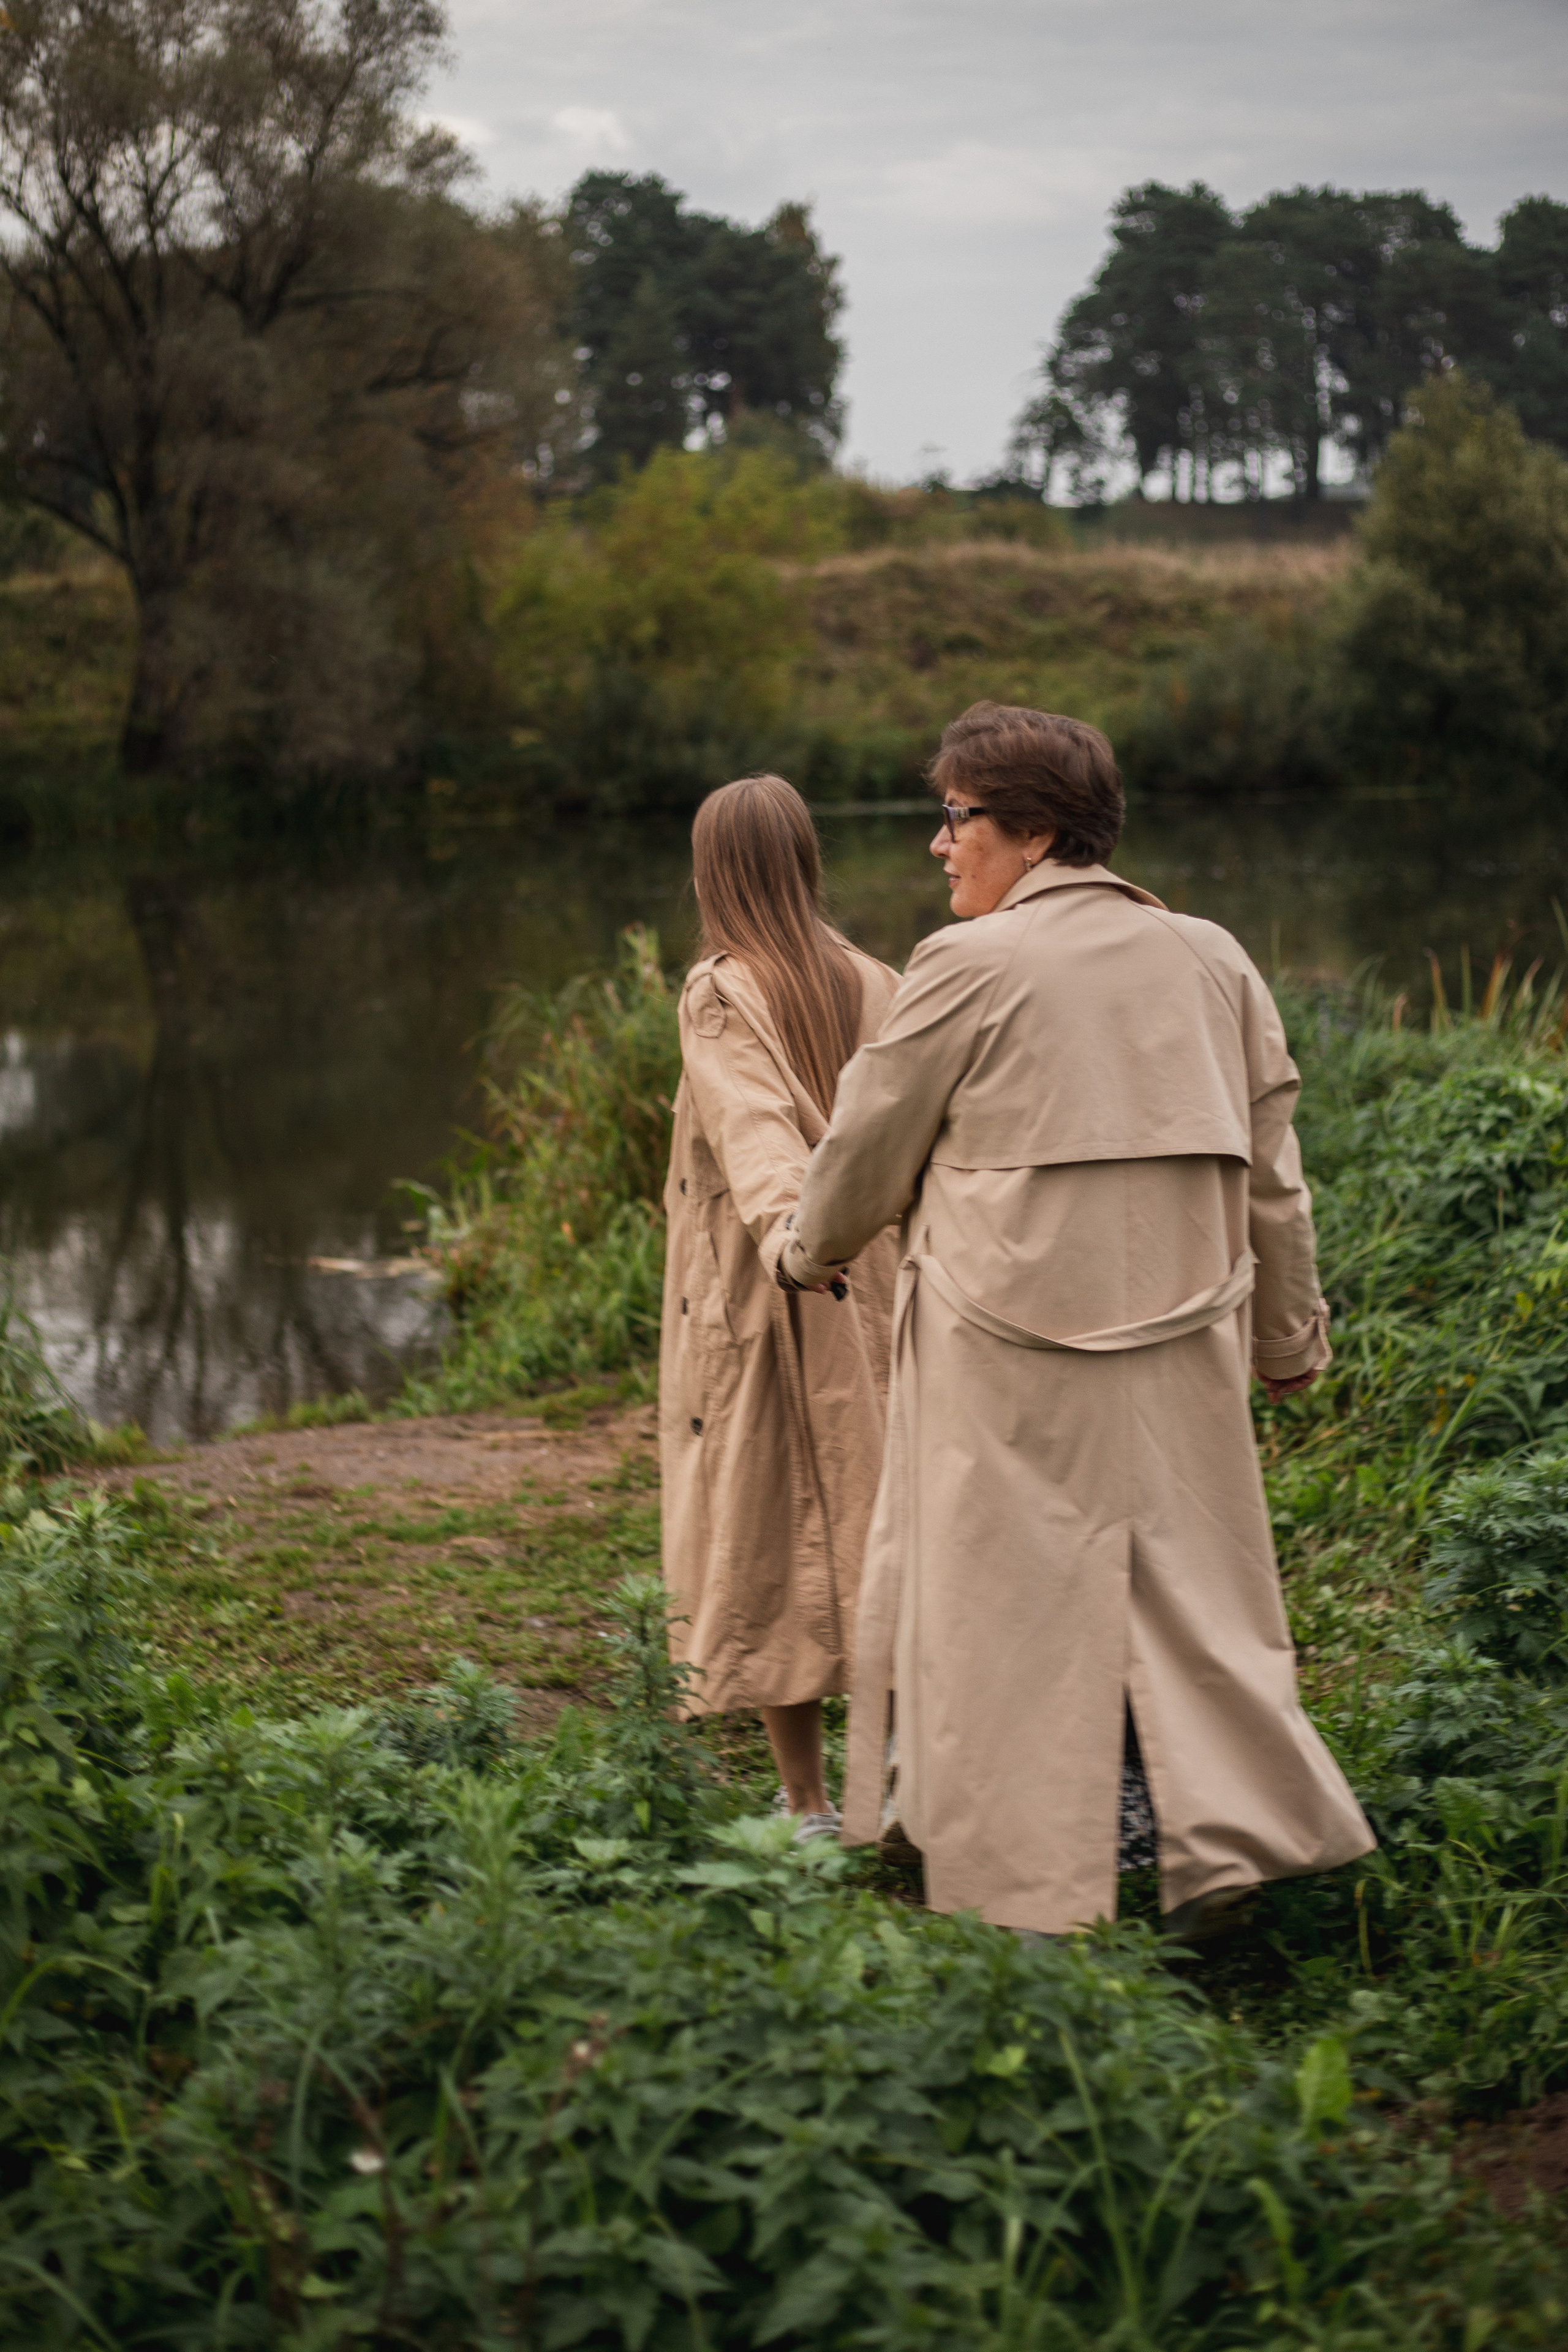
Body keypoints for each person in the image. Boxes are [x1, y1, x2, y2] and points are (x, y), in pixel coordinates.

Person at [772, 703, 1374, 1936]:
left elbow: (863, 1153)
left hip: (1004, 1360)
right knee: (1187, 1609)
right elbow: (1272, 1179)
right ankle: (1213, 1857)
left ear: (1034, 829)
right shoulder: (1213, 957)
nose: (939, 845)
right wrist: (1286, 1345)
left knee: (1009, 1616)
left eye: (956, 819)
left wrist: (802, 1253)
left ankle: (1033, 1890)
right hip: (1180, 1354)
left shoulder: (966, 966)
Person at [660, 774, 901, 1836]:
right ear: (806, 862)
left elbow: (752, 1130)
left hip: (774, 1291)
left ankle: (808, 1804)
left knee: (768, 1533)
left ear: (713, 873)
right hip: (876, 1290)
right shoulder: (878, 978)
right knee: (875, 1509)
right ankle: (892, 1779)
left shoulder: (719, 992)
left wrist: (786, 1244)